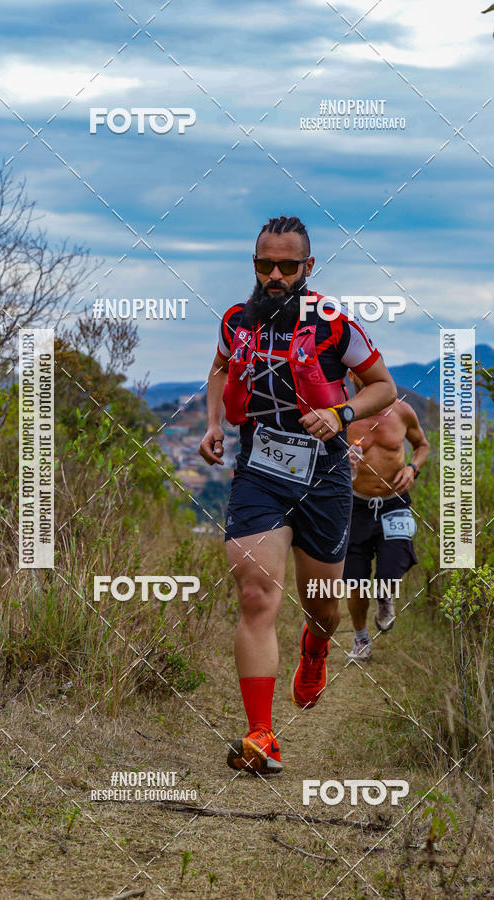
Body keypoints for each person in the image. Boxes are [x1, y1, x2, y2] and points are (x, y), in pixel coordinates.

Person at [198, 215, 397, 775]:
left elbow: (383, 385)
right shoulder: (237, 320)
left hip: (325, 478)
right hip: (259, 471)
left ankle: (316, 646)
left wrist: (341, 413)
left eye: (289, 266)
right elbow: (219, 368)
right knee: (257, 594)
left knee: (322, 606)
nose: (276, 276)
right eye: (266, 265)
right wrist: (213, 423)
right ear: (255, 265)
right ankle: (262, 734)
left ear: (308, 268)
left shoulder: (334, 323)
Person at [343, 372, 430, 661]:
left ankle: (385, 595)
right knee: (354, 579)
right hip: (356, 505)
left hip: (395, 503)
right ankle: (361, 640)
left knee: (392, 565)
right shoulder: (342, 414)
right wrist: (342, 461)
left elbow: (422, 446)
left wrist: (412, 469)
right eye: (362, 373)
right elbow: (322, 458)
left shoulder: (403, 412)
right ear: (352, 375)